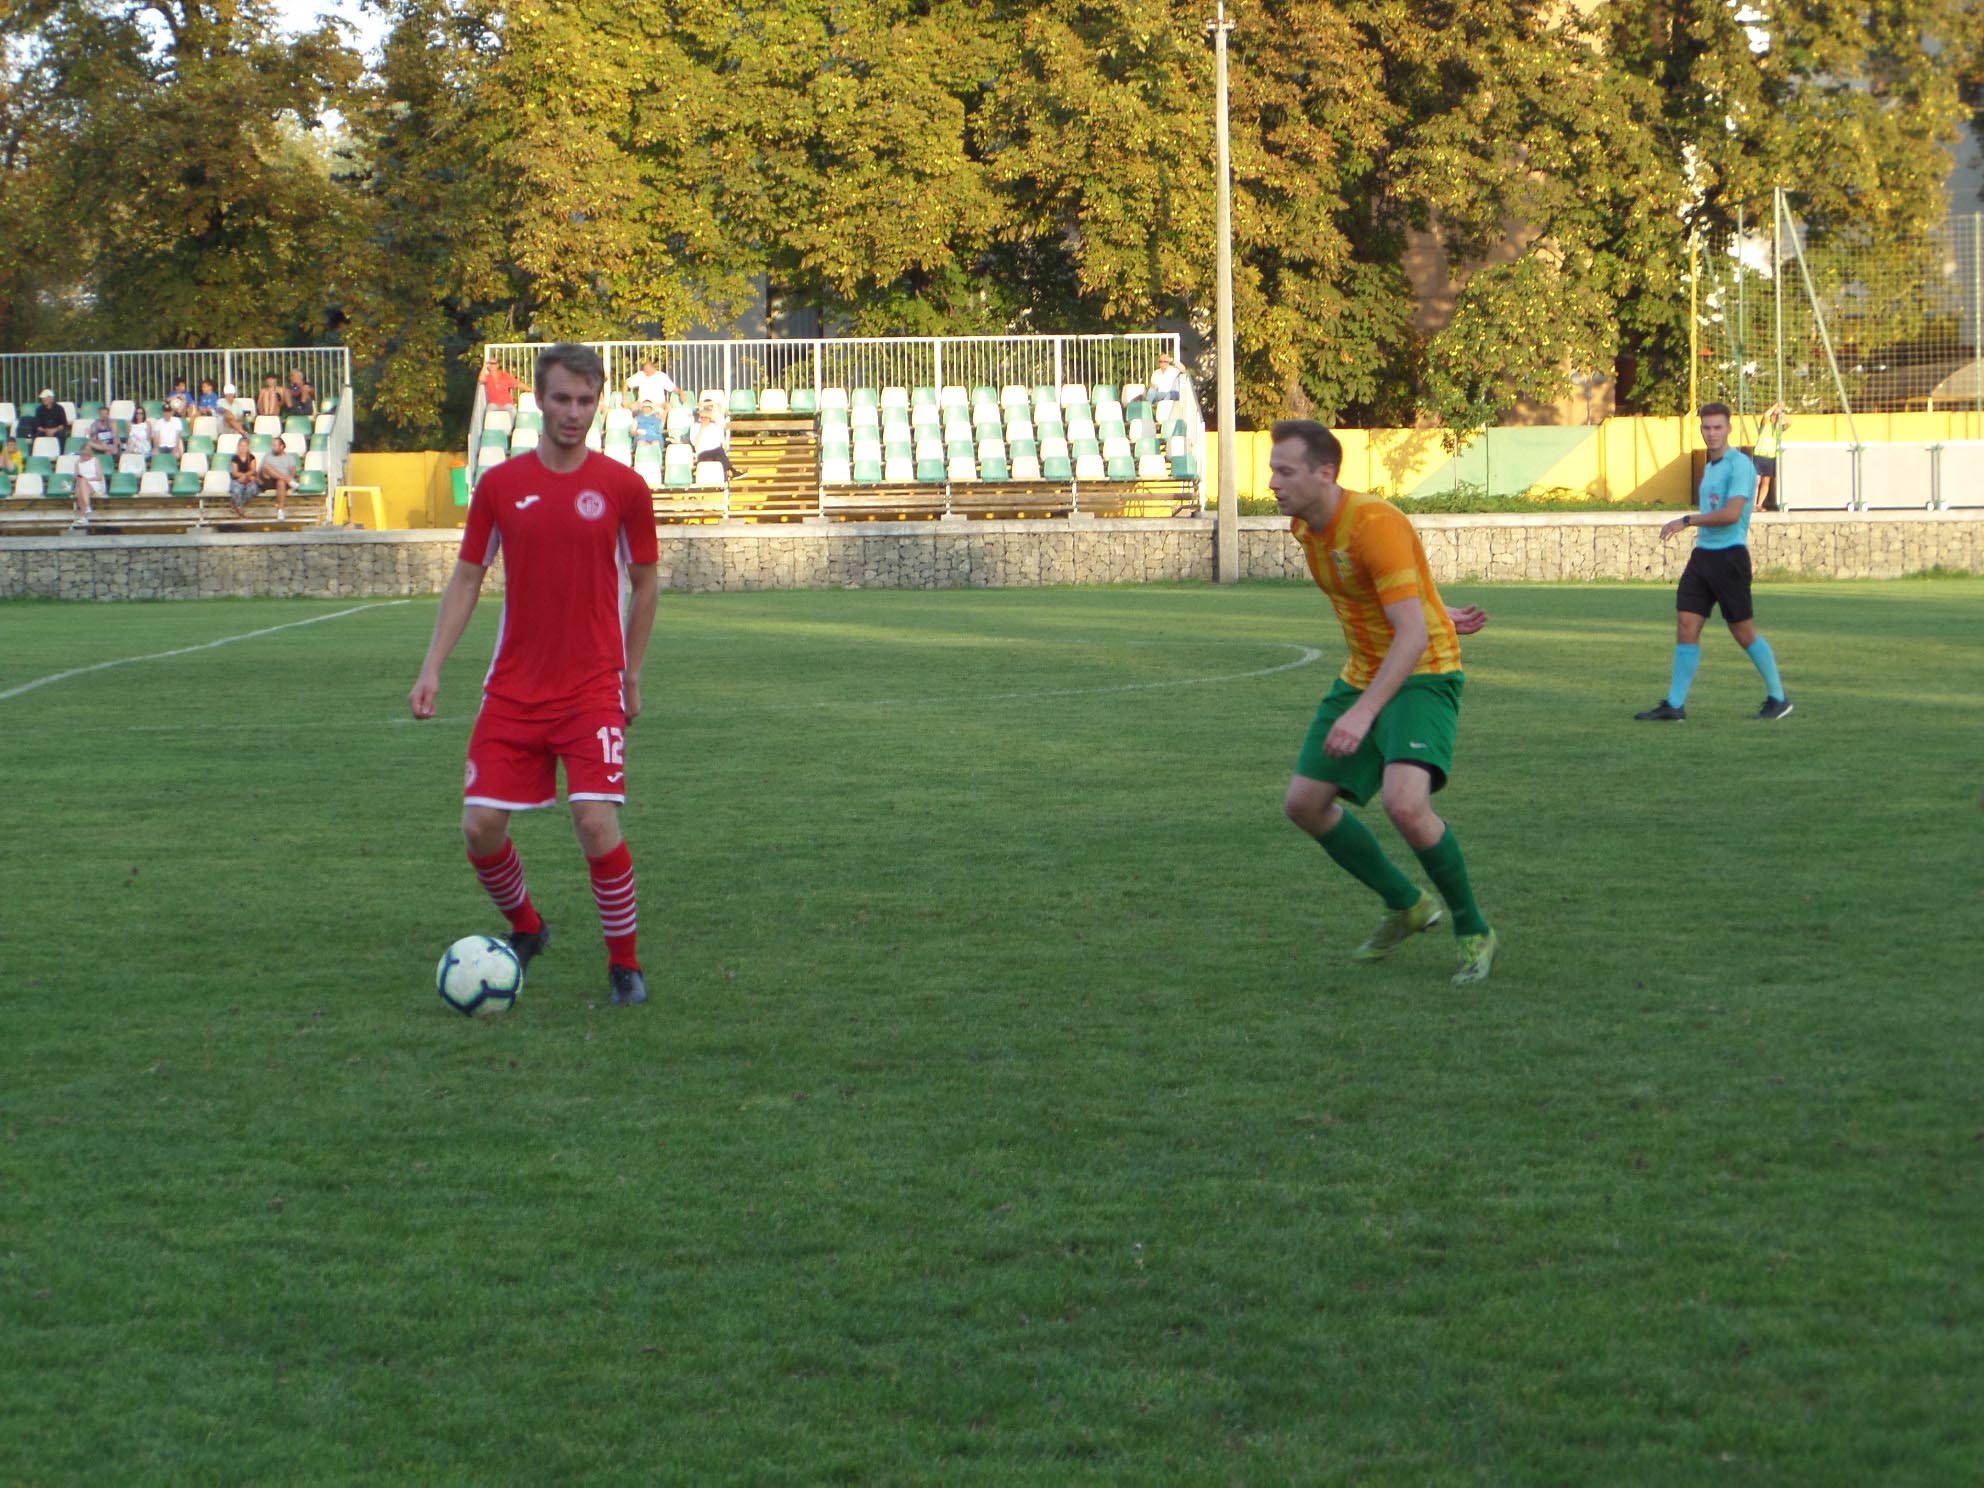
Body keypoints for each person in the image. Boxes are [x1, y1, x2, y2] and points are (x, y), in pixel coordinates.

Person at [408, 342, 661, 1008]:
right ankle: (528, 926)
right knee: (479, 828)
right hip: (513, 690)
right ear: (539, 402)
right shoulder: (500, 486)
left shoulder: (624, 488)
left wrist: (632, 674)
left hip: (592, 688)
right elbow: (467, 578)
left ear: (597, 403)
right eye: (561, 399)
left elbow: (646, 581)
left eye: (585, 401)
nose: (573, 412)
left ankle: (625, 965)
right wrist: (432, 667)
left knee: (595, 823)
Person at [1271, 419, 1499, 987]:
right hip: (1364, 670)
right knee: (1304, 804)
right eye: (1273, 471)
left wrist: (1364, 711)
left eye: (1285, 472)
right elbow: (1391, 588)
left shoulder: (1374, 524)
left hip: (1422, 670)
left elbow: (1413, 635)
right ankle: (1407, 904)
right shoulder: (1305, 526)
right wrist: (1435, 607)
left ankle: (1474, 929)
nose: (1272, 483)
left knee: (1405, 804)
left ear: (1326, 474)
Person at [1635, 402, 1791, 722]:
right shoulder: (1711, 468)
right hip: (1703, 557)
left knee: (1743, 631)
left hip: (1730, 557)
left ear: (1729, 429)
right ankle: (1675, 705)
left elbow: (1732, 514)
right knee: (1686, 625)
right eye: (1706, 427)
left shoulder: (1740, 465)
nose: (1712, 433)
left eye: (1718, 427)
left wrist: (1687, 520)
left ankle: (1778, 698)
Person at [1751, 402, 1788, 511]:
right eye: (1774, 415)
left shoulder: (1778, 429)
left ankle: (1759, 504)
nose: (1775, 417)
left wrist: (1782, 412)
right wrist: (1776, 405)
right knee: (1756, 480)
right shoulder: (1765, 425)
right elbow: (1766, 415)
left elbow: (1790, 423)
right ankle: (1753, 504)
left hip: (1770, 457)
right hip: (1759, 455)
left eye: (1776, 416)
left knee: (1765, 482)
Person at [689, 398, 738, 480]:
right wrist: (702, 428)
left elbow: (719, 410)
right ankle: (732, 471)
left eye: (709, 409)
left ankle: (728, 475)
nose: (705, 417)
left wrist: (712, 405)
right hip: (703, 453)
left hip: (717, 452)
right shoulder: (696, 426)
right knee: (719, 453)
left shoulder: (716, 425)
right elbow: (694, 442)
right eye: (706, 409)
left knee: (719, 454)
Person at [258, 435, 299, 518]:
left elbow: (293, 471)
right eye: (273, 445)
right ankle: (288, 481)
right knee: (266, 466)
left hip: (283, 483)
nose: (273, 447)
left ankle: (280, 510)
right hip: (269, 480)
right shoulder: (267, 456)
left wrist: (291, 477)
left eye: (275, 445)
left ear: (282, 446)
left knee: (280, 482)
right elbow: (261, 471)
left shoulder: (289, 457)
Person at [1148, 351, 1189, 418]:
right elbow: (1153, 385)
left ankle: (1165, 417)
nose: (1163, 363)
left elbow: (1183, 369)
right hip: (1160, 393)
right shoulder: (1156, 372)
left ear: (1168, 362)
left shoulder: (1174, 370)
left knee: (1167, 396)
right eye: (1161, 361)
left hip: (1172, 393)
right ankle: (1146, 412)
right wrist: (1153, 389)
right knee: (1151, 392)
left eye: (1165, 361)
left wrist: (1172, 360)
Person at [227, 436, 259, 515]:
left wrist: (245, 476)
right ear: (238, 447)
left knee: (253, 489)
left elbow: (253, 470)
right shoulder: (235, 458)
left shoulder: (251, 457)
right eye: (241, 445)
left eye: (245, 446)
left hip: (249, 479)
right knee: (237, 490)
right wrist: (243, 476)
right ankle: (240, 508)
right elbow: (235, 472)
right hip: (237, 479)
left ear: (248, 447)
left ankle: (237, 505)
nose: (243, 448)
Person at [71, 449, 101, 524]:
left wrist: (87, 479)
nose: (84, 457)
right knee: (81, 485)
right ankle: (85, 513)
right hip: (81, 484)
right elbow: (75, 476)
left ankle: (84, 513)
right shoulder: (78, 462)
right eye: (83, 455)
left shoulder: (95, 461)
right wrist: (79, 478)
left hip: (93, 483)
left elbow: (99, 477)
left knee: (82, 483)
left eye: (86, 455)